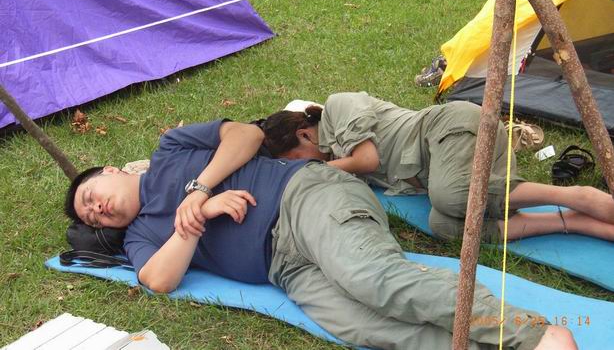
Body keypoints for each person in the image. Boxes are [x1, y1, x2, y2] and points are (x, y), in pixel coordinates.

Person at [64, 119, 576, 349]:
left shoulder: (170, 150)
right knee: (363, 325)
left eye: (91, 197)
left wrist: (199, 187)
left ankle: (534, 334)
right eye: (93, 220)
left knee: (371, 280)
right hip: (284, 269)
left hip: (304, 198)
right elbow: (158, 279)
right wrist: (201, 216)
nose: (97, 211)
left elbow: (247, 134)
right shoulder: (140, 236)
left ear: (111, 171)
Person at [262, 92, 614, 243]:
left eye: (296, 160)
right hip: (453, 166)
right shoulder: (335, 160)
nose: (303, 167)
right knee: (444, 225)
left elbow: (367, 160)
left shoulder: (338, 106)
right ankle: (572, 222)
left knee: (450, 198)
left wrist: (311, 170)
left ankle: (575, 196)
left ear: (303, 134)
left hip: (452, 127)